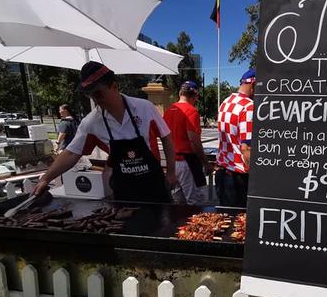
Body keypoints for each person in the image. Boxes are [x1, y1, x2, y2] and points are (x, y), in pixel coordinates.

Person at [33, 61, 176, 202]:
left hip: (154, 185)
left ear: (114, 86)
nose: (96, 100)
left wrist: (171, 172)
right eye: (91, 96)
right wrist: (46, 178)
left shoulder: (145, 108)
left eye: (98, 94)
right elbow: (71, 153)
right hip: (124, 191)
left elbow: (166, 138)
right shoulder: (91, 122)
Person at [163, 81, 213, 205]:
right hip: (188, 162)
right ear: (194, 96)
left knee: (179, 200)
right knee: (195, 201)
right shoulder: (191, 111)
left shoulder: (169, 110)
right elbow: (194, 140)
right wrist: (205, 163)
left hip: (173, 161)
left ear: (180, 93)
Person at [215, 69, 255, 207]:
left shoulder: (226, 102)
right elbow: (246, 148)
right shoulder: (248, 106)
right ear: (254, 84)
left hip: (223, 173)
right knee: (240, 218)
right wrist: (255, 180)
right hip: (238, 179)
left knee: (226, 216)